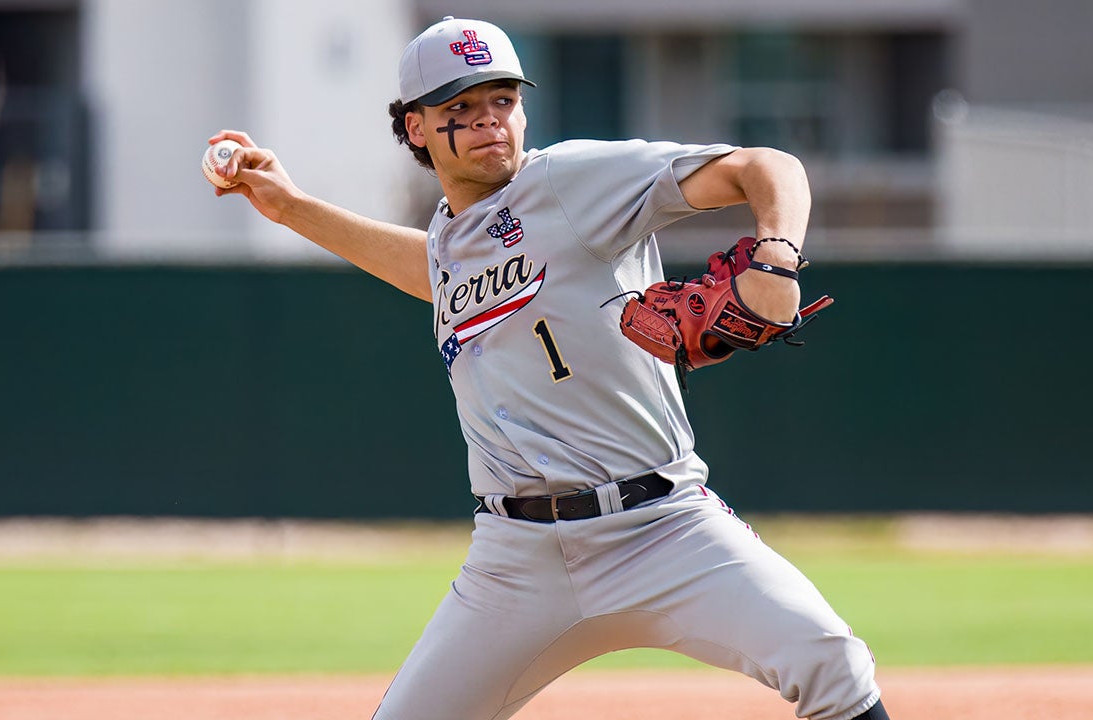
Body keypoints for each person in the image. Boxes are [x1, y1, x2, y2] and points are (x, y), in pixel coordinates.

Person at [208, 16, 890, 720]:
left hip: (663, 527)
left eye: (502, 99)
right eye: (460, 109)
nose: (488, 121)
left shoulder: (573, 181)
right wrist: (288, 208)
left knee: (829, 661)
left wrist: (776, 254)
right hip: (517, 559)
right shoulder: (451, 236)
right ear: (416, 129)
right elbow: (434, 271)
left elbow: (768, 165)